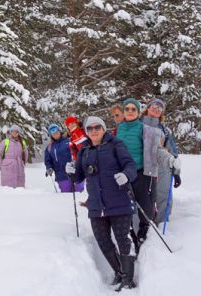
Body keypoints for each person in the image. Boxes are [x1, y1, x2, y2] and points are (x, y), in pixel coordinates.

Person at [66, 116, 138, 290]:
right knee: (103, 241)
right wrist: (71, 172)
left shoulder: (115, 144)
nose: (94, 131)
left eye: (97, 127)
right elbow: (79, 177)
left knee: (123, 240)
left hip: (118, 201)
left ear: (104, 128)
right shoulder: (84, 150)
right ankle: (118, 272)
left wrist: (126, 175)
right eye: (89, 129)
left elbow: (130, 165)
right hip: (96, 206)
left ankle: (128, 279)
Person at [116, 98, 175, 250]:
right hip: (122, 174)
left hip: (142, 171)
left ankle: (145, 230)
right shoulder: (119, 128)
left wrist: (171, 160)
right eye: (127, 109)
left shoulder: (145, 128)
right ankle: (129, 234)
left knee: (146, 204)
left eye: (133, 109)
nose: (130, 111)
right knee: (124, 205)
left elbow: (157, 149)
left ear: (137, 111)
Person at [143, 98, 182, 224]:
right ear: (148, 108)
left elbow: (173, 152)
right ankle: (142, 225)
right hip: (141, 165)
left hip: (161, 167)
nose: (156, 109)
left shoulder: (164, 130)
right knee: (142, 196)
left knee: (163, 195)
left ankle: (161, 223)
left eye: (160, 108)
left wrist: (176, 172)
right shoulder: (137, 124)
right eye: (154, 106)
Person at [44, 124, 73, 192]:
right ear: (50, 134)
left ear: (59, 130)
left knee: (78, 194)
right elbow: (48, 161)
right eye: (52, 131)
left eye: (56, 130)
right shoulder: (49, 147)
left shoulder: (69, 140)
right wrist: (49, 168)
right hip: (61, 175)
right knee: (66, 195)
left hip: (74, 171)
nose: (55, 132)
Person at [64, 115, 88, 191]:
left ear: (76, 122)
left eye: (72, 123)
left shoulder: (83, 130)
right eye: (69, 124)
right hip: (83, 160)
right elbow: (74, 152)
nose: (71, 125)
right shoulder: (71, 137)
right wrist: (75, 162)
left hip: (91, 157)